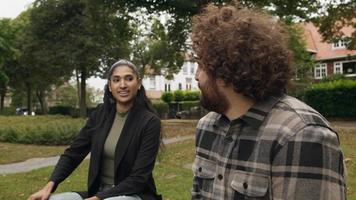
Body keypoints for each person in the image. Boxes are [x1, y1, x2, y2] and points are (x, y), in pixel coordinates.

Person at [191, 4, 347, 200]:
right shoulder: (207, 127)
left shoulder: (302, 134)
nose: (196, 76)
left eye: (200, 66)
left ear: (224, 71)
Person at [28, 59, 162, 200]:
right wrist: (49, 186)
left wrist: (99, 198)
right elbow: (74, 153)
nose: (123, 85)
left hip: (134, 195)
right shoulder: (100, 114)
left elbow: (138, 178)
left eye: (129, 79)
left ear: (138, 83)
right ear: (110, 86)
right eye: (116, 80)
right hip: (98, 192)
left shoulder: (149, 122)